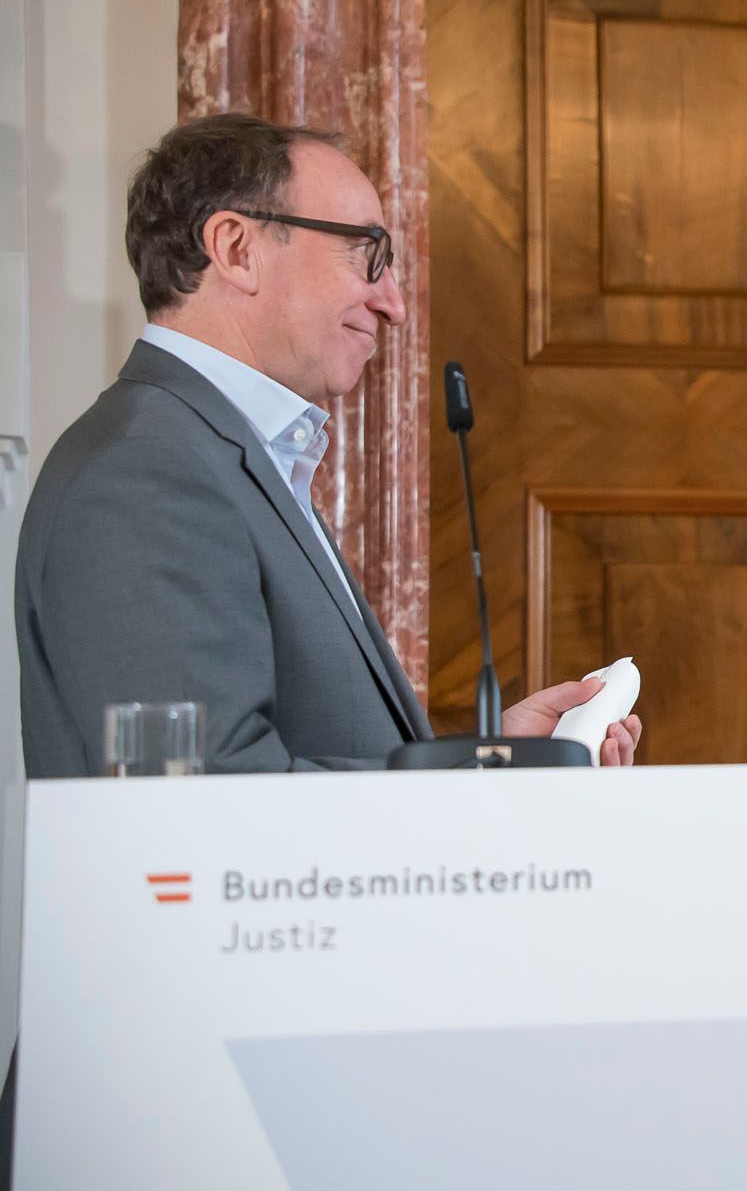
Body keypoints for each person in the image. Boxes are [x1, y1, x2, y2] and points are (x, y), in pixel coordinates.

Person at [14, 113, 641, 775]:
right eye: (367, 253)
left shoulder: (220, 450)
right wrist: (466, 784)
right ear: (235, 248)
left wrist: (493, 763)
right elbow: (211, 799)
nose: (393, 303)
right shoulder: (147, 470)